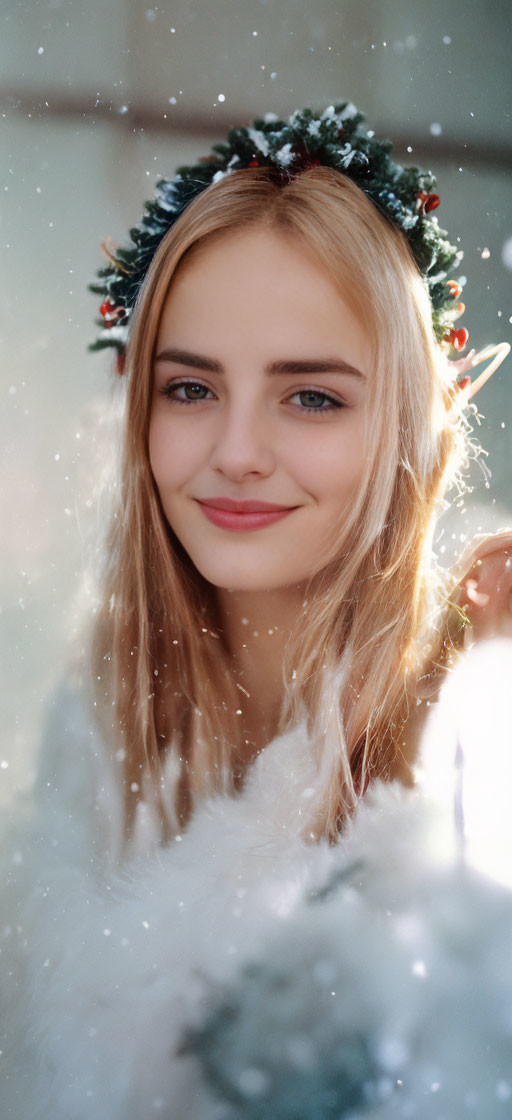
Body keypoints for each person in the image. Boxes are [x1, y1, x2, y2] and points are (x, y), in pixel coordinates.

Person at [2, 100, 512, 1119]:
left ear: (407, 416)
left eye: (310, 396)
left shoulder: (481, 714)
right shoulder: (93, 736)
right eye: (189, 389)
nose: (235, 449)